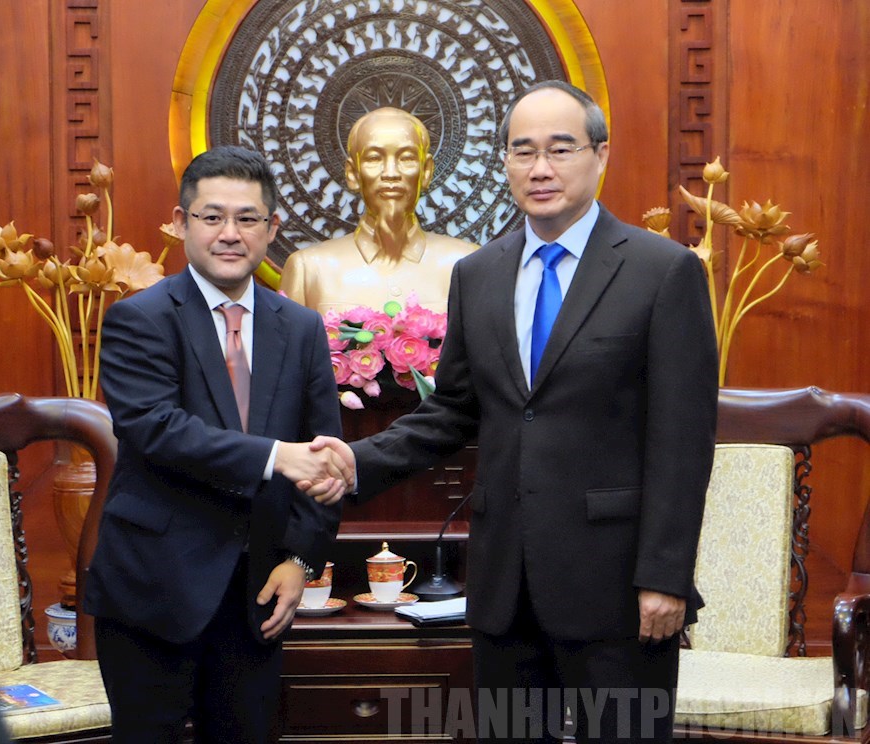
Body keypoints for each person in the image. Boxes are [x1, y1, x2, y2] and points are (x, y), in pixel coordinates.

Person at [313, 81, 719, 742]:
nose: (540, 168)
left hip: (618, 587)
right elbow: (452, 412)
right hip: (505, 584)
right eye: (523, 151)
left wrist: (665, 577)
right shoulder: (480, 274)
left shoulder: (662, 271)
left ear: (600, 155)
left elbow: (683, 441)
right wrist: (355, 461)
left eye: (560, 149)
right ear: (504, 161)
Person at [84, 145, 351, 743]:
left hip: (257, 591)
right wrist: (275, 456)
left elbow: (324, 457)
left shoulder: (301, 327)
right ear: (182, 223)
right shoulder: (139, 318)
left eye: (247, 218)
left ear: (271, 229)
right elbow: (156, 427)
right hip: (154, 589)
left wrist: (302, 561)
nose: (230, 233)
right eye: (212, 217)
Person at [279, 107, 476, 314]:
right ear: (353, 173)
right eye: (374, 158)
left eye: (406, 158)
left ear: (426, 171)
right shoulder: (308, 270)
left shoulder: (468, 265)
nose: (391, 173)